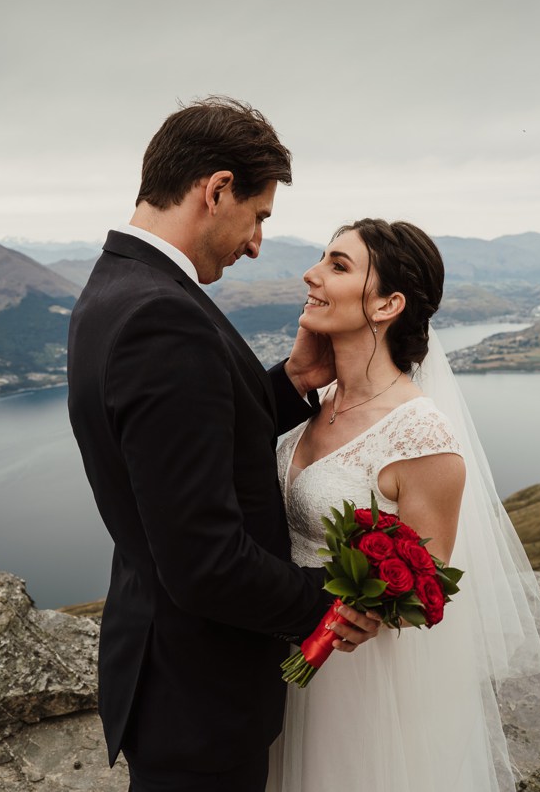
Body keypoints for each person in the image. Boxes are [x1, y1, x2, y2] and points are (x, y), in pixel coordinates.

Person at [66, 97, 381, 792]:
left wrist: (294, 378)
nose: (257, 243)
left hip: (169, 677)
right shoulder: (161, 318)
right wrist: (329, 599)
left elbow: (190, 440)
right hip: (197, 698)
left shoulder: (114, 286)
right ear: (216, 190)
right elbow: (204, 560)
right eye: (259, 215)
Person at [266, 219, 540, 792]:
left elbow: (418, 588)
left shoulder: (423, 438)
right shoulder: (317, 398)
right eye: (321, 260)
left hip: (348, 684)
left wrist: (362, 617)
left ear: (387, 305)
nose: (311, 274)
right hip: (270, 665)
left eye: (337, 266)